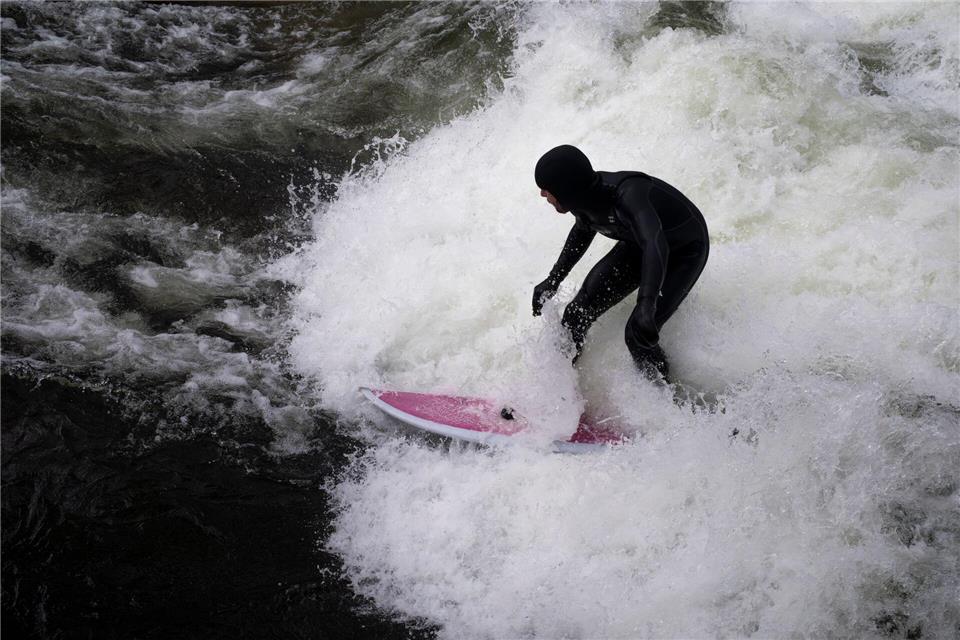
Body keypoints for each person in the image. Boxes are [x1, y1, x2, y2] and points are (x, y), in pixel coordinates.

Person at [532, 144, 709, 380]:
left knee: (637, 333)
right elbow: (583, 230)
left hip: (683, 251)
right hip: (640, 245)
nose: (543, 194)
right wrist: (553, 280)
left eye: (546, 189)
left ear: (567, 189)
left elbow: (655, 244)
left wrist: (647, 303)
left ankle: (667, 400)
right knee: (576, 314)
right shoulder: (582, 200)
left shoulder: (628, 195)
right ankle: (555, 384)